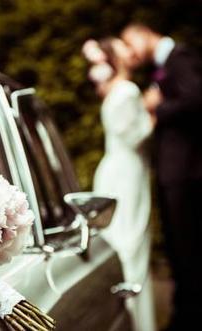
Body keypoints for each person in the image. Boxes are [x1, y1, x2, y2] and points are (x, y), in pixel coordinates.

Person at [121, 23, 202, 330]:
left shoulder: (180, 56)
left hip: (185, 170)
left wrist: (157, 110)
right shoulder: (164, 64)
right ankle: (186, 312)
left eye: (131, 44)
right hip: (174, 170)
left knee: (187, 248)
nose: (131, 54)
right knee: (179, 248)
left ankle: (189, 316)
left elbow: (196, 99)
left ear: (143, 33)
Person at [82, 37, 156, 331]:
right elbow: (134, 135)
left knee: (121, 237)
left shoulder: (114, 91)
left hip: (114, 169)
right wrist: (153, 113)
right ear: (116, 57)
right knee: (131, 241)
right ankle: (134, 318)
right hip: (127, 173)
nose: (130, 49)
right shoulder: (127, 90)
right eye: (123, 46)